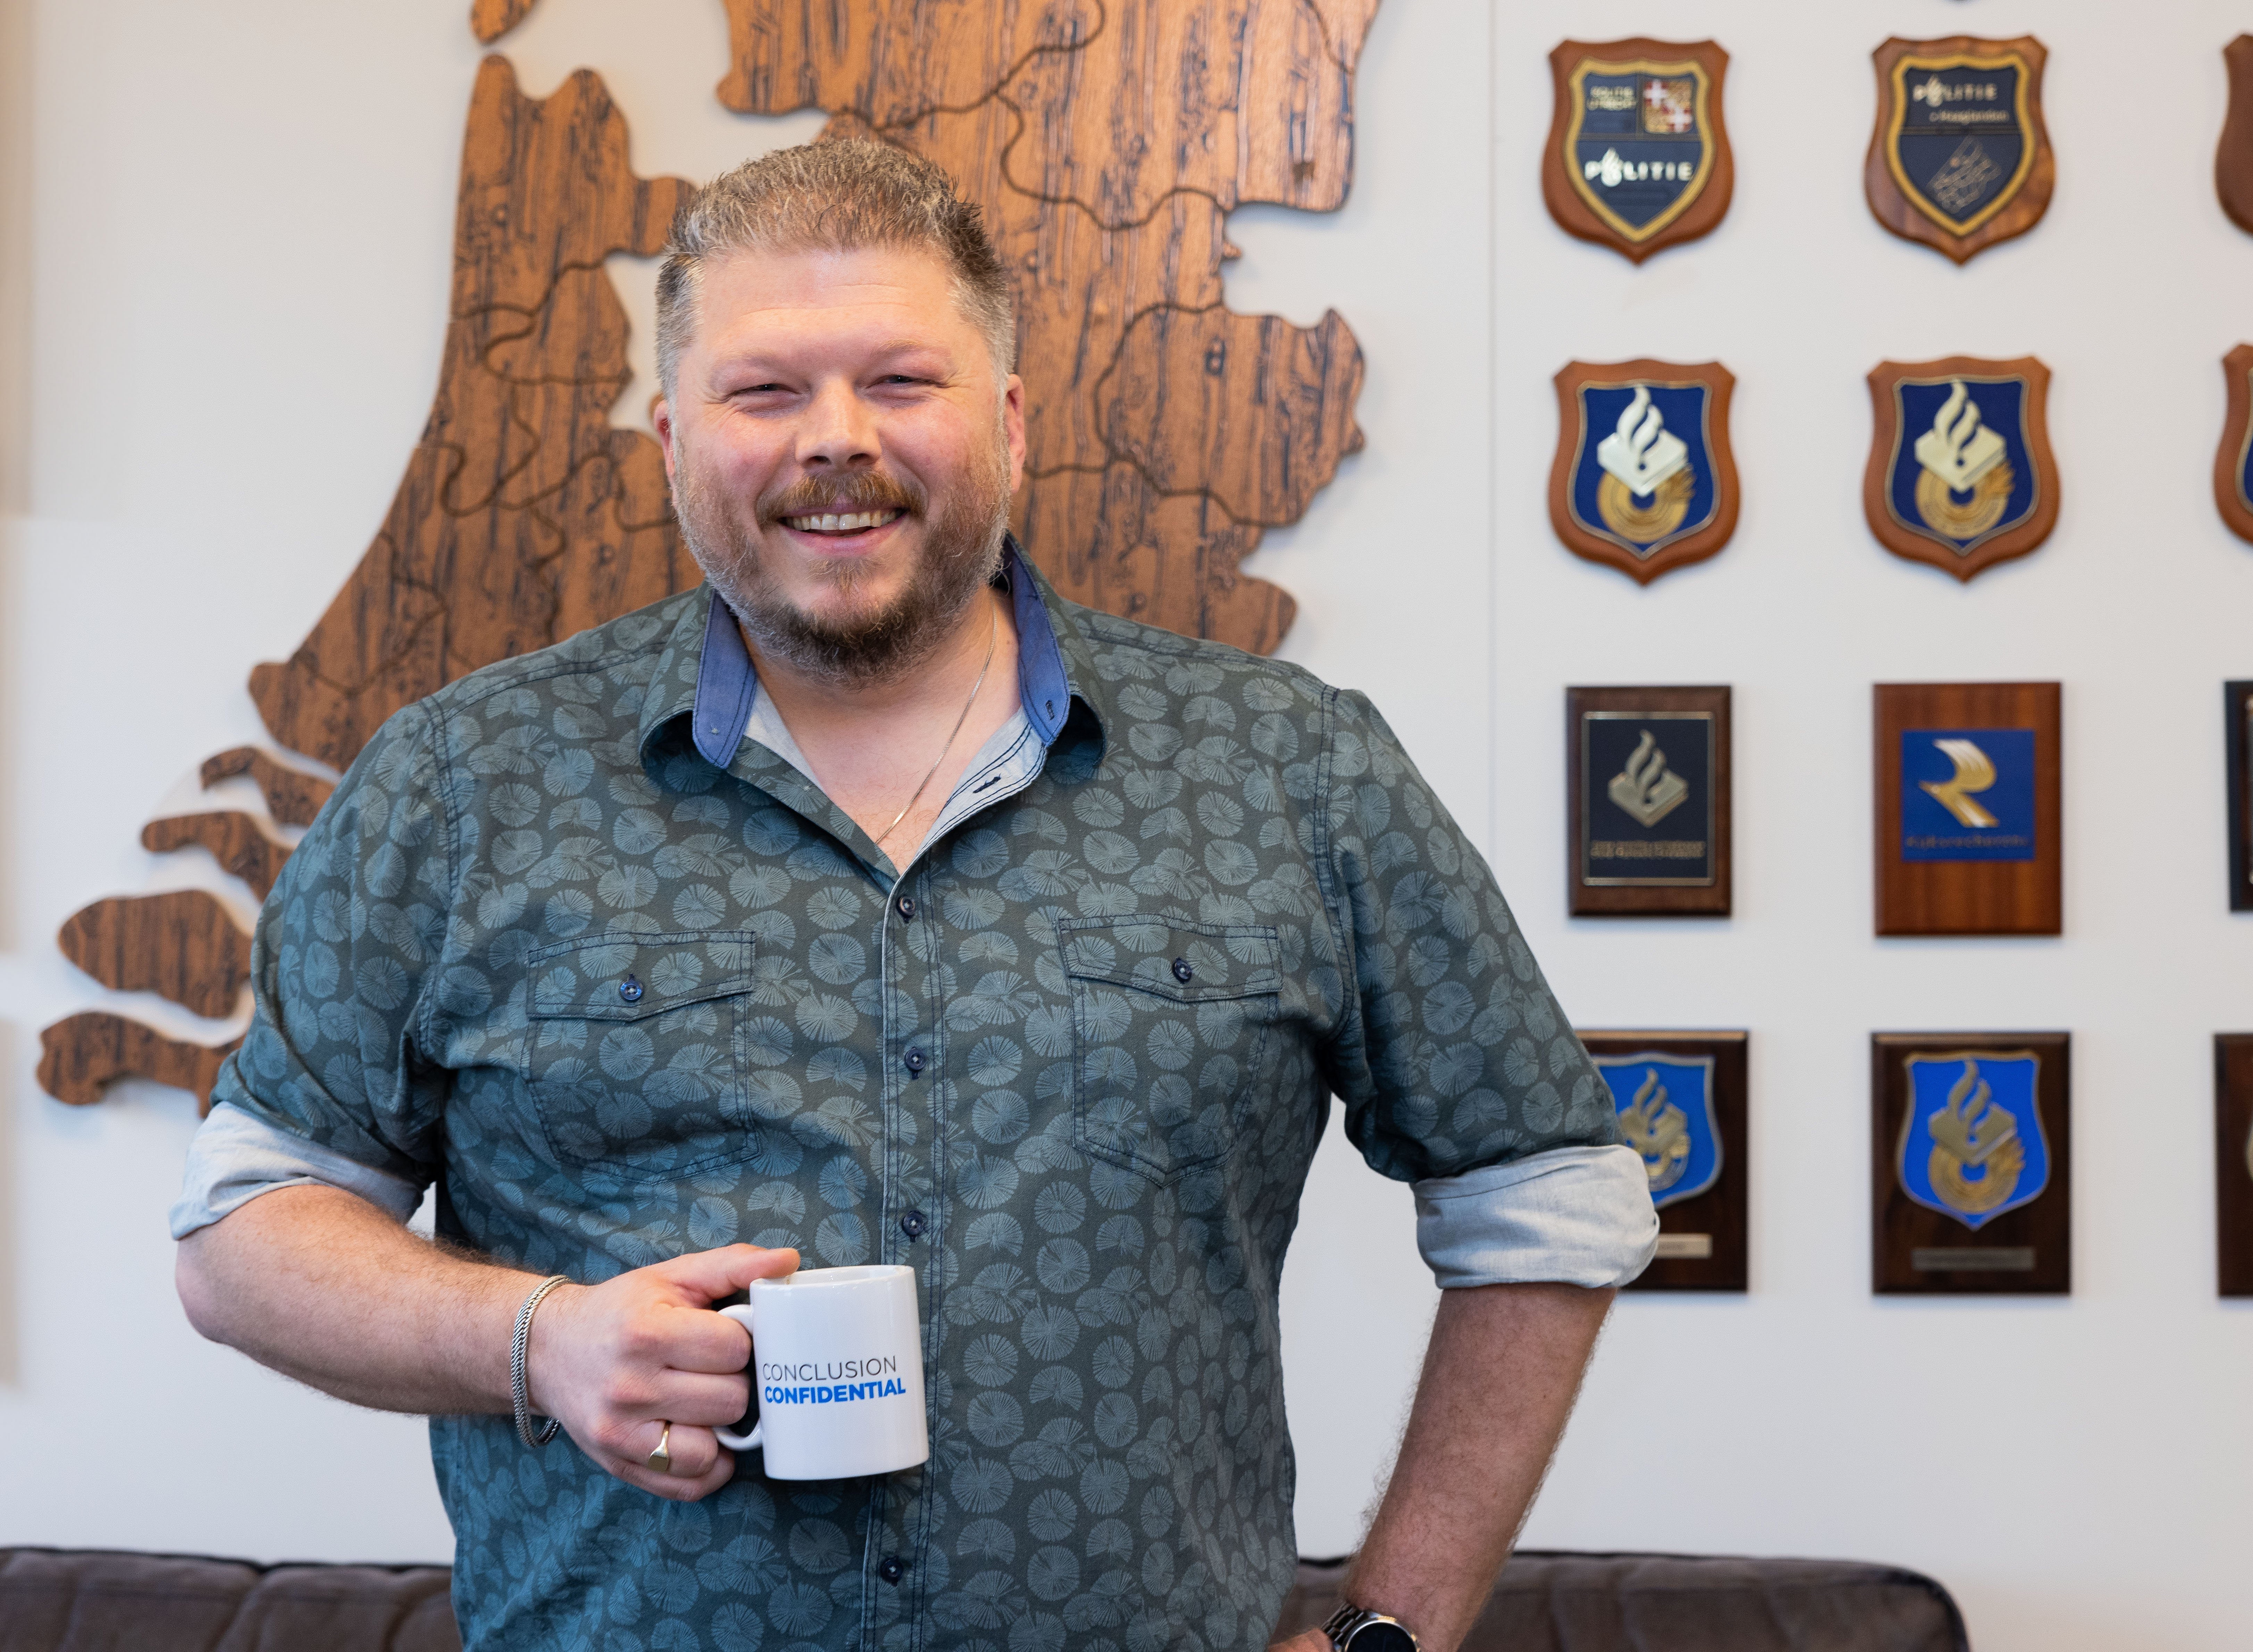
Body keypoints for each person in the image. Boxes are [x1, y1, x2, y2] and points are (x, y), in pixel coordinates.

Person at [173, 139, 1658, 1652]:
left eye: (901, 381)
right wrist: (531, 1338)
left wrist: (1388, 1629)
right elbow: (242, 1233)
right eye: (765, 393)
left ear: (1005, 423)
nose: (836, 440)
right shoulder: (458, 782)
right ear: (674, 435)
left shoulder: (1291, 768)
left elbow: (1549, 1192)